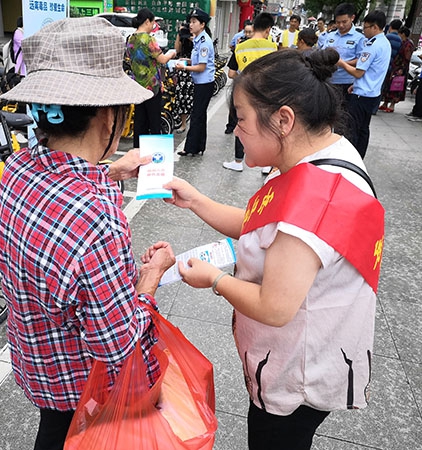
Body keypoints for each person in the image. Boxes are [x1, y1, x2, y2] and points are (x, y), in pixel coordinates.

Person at [163, 48, 384, 450]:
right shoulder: (324, 155)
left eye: (241, 119)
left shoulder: (313, 201)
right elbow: (261, 220)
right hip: (310, 349)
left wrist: (212, 279)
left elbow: (274, 306)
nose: (234, 131)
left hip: (296, 374)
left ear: (283, 120)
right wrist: (195, 200)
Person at [0, 17, 176, 450]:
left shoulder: (17, 169)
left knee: (52, 431)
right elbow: (117, 347)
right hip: (85, 390)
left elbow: (60, 198)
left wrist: (110, 171)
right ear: (108, 116)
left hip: (39, 366)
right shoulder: (97, 217)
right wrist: (151, 278)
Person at [223, 12, 277, 173]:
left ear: (254, 27)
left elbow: (231, 74)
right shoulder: (272, 47)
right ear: (268, 29)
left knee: (243, 125)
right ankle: (267, 164)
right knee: (267, 126)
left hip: (245, 93)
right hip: (266, 94)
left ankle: (238, 161)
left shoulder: (240, 48)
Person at [337, 10, 391, 159]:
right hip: (372, 93)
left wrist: (341, 63)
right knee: (363, 129)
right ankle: (359, 157)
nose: (364, 30)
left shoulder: (371, 45)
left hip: (362, 96)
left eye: (365, 27)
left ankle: (349, 159)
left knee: (352, 129)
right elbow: (371, 70)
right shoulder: (384, 43)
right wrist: (357, 84)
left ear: (374, 27)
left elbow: (358, 72)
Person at [126, 8, 176, 148]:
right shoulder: (149, 39)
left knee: (140, 122)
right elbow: (162, 60)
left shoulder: (131, 39)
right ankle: (156, 154)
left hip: (137, 86)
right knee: (154, 122)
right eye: (153, 22)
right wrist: (172, 54)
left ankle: (137, 151)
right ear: (147, 21)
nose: (154, 25)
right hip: (152, 87)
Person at [175, 8, 215, 157]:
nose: (190, 25)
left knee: (197, 115)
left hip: (204, 83)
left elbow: (202, 67)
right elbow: (198, 62)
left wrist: (184, 68)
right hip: (201, 82)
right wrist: (187, 61)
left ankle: (190, 148)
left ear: (202, 24)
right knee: (200, 115)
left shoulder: (204, 42)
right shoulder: (198, 39)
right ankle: (199, 146)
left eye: (194, 22)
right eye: (190, 22)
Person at [319, 3, 365, 101]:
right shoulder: (330, 36)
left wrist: (341, 63)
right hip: (329, 80)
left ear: (352, 18)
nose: (341, 25)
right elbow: (322, 52)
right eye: (338, 22)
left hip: (347, 82)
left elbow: (362, 60)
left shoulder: (359, 38)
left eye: (344, 22)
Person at [224, 20, 254, 135]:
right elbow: (231, 73)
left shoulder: (240, 49)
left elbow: (231, 74)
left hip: (241, 85)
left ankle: (232, 127)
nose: (247, 35)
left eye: (250, 32)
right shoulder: (240, 48)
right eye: (245, 32)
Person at [379, 26, 414, 113]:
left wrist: (401, 68)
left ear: (403, 34)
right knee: (389, 85)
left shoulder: (408, 44)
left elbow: (406, 58)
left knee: (396, 86)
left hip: (400, 68)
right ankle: (385, 103)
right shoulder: (402, 42)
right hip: (395, 67)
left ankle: (392, 105)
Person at [174, 21, 194, 133]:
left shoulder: (199, 39)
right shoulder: (182, 37)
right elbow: (177, 50)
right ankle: (183, 123)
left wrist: (192, 38)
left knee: (190, 98)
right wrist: (180, 35)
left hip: (194, 69)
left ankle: (191, 122)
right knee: (182, 97)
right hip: (182, 69)